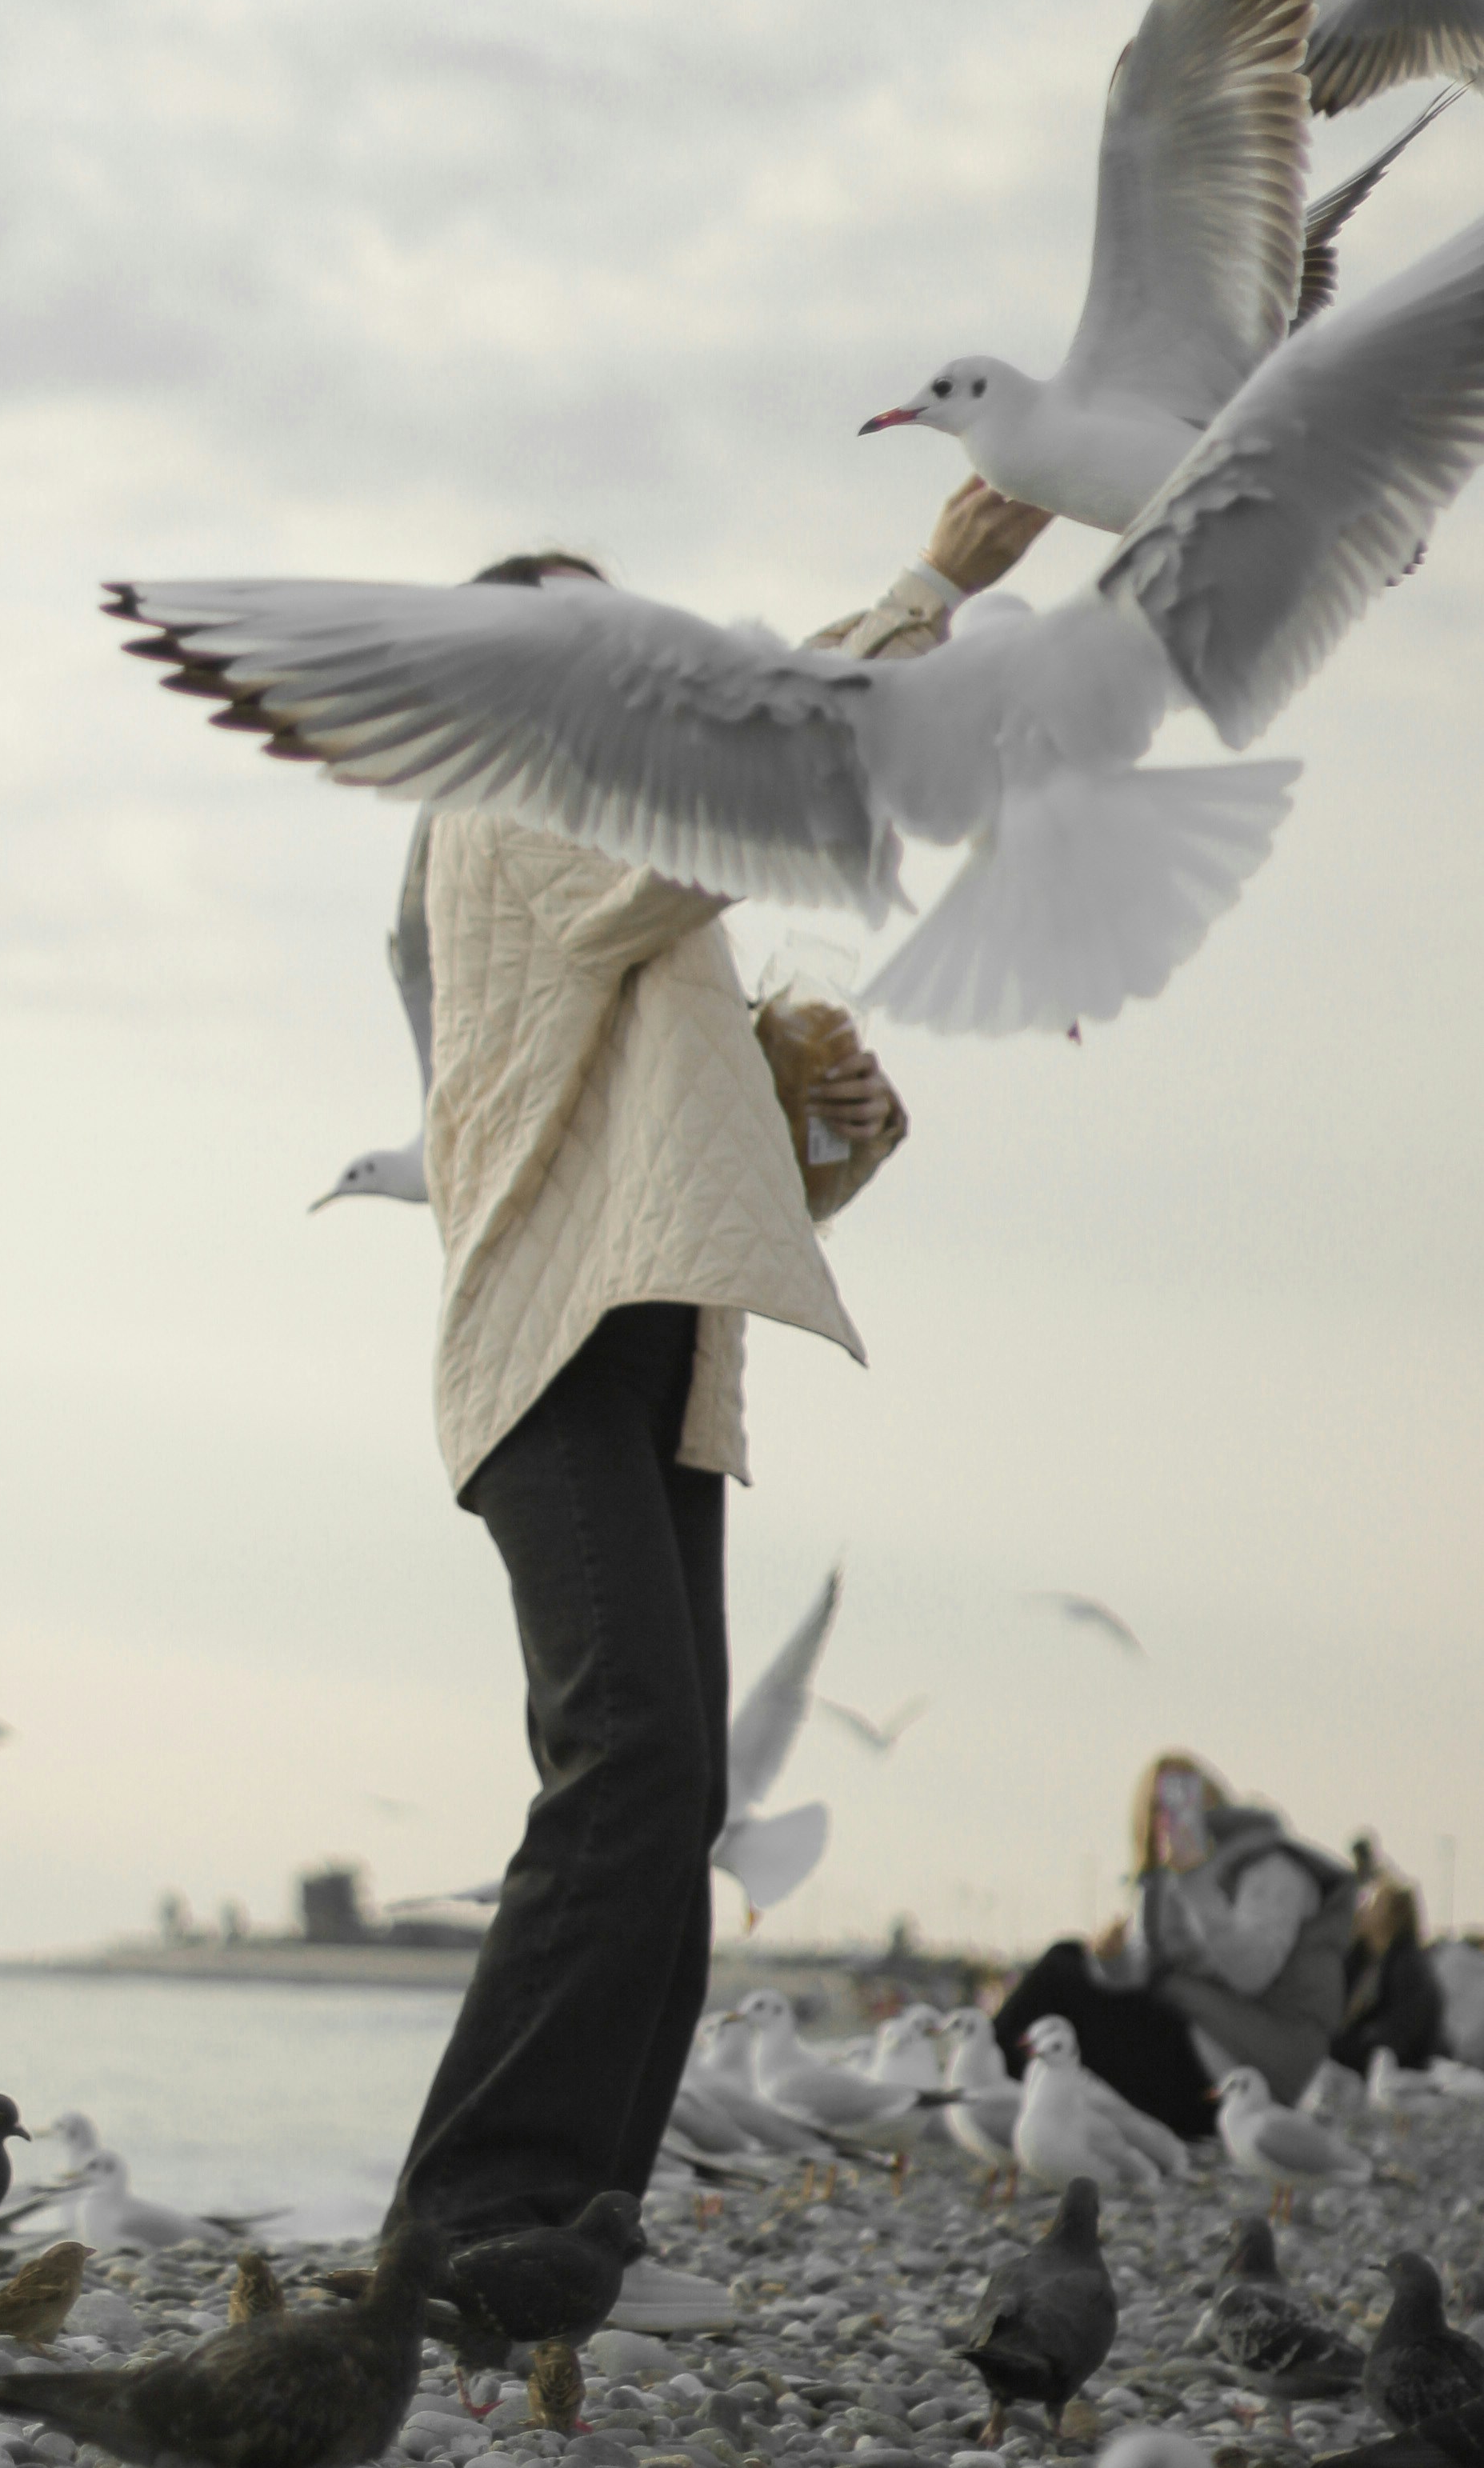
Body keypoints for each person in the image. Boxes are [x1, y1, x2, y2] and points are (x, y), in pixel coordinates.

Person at [392, 479, 1044, 2239]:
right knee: (626, 1766)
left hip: (649, 1356)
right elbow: (739, 793)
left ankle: (577, 2227)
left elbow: (695, 1194)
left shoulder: (639, 896)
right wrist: (922, 589)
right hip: (547, 1354)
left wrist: (826, 1126)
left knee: (670, 1789)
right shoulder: (498, 797)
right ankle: (474, 2221)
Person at [995, 1751, 1359, 2138]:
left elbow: (1251, 1972)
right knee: (1071, 1957)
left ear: (1215, 1797)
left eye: (1185, 1796)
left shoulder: (1272, 1870)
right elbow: (1145, 1975)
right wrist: (1111, 1960)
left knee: (1059, 1975)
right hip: (1199, 2053)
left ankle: (984, 2097)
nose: (1171, 1815)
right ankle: (1004, 2104)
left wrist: (1195, 1875)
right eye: (1157, 1807)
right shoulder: (1173, 1880)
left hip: (1242, 2083)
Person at [1332, 1873, 1446, 2078]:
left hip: (1392, 2073)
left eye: (1374, 1904)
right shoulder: (1360, 1960)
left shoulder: (1409, 1969)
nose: (1365, 1908)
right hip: (1349, 2061)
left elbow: (1398, 2034)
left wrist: (1339, 2049)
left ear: (1393, 1916)